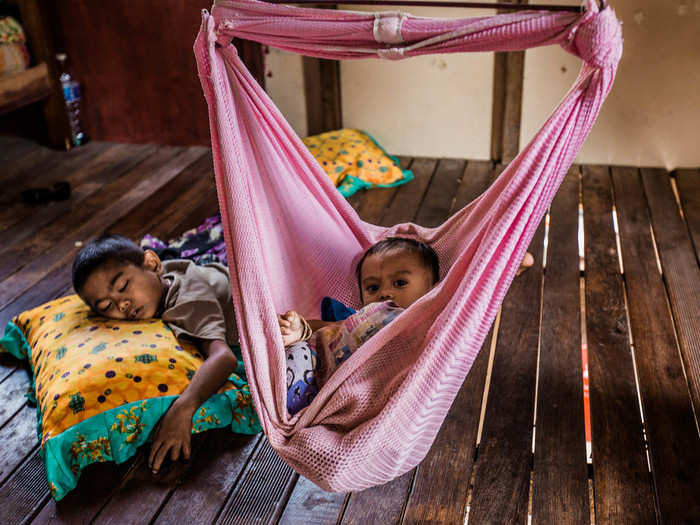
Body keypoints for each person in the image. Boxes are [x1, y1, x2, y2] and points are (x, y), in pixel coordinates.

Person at [278, 237, 534, 415]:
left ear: (432, 289)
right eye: (373, 287)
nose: (385, 292)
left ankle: (286, 401)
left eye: (400, 283)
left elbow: (474, 294)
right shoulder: (363, 315)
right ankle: (273, 396)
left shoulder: (427, 316)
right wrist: (299, 329)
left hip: (361, 393)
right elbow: (327, 329)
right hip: (316, 373)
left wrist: (509, 270)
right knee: (294, 349)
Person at [72, 235, 239, 475]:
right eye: (107, 306)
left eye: (122, 287)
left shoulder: (190, 301)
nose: (122, 305)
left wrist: (183, 408)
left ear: (152, 263)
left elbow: (223, 358)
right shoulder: (160, 281)